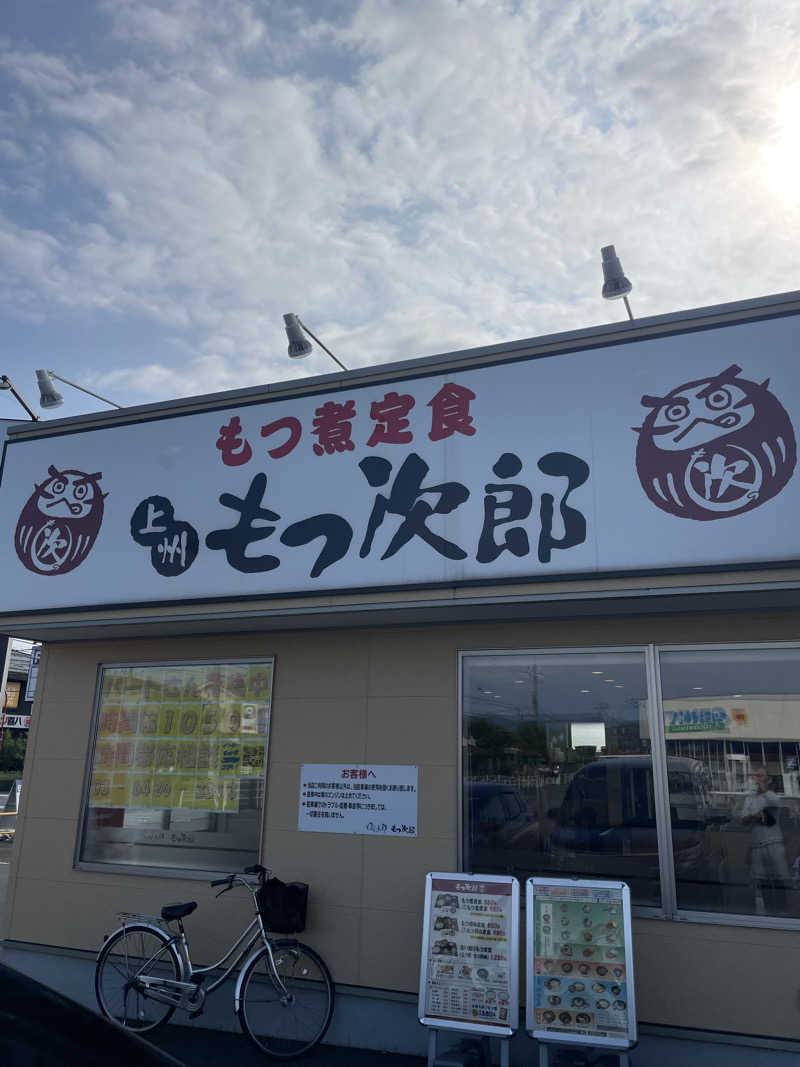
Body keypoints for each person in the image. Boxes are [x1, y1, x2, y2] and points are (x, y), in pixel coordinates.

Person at [741, 766, 790, 914]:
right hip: (757, 845)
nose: (756, 779)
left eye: (761, 776)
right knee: (761, 879)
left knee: (780, 878)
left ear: (768, 779)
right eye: (755, 776)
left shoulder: (772, 795)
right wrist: (753, 816)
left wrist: (762, 789)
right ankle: (768, 911)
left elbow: (774, 803)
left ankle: (783, 911)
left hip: (774, 843)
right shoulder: (750, 797)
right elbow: (743, 819)